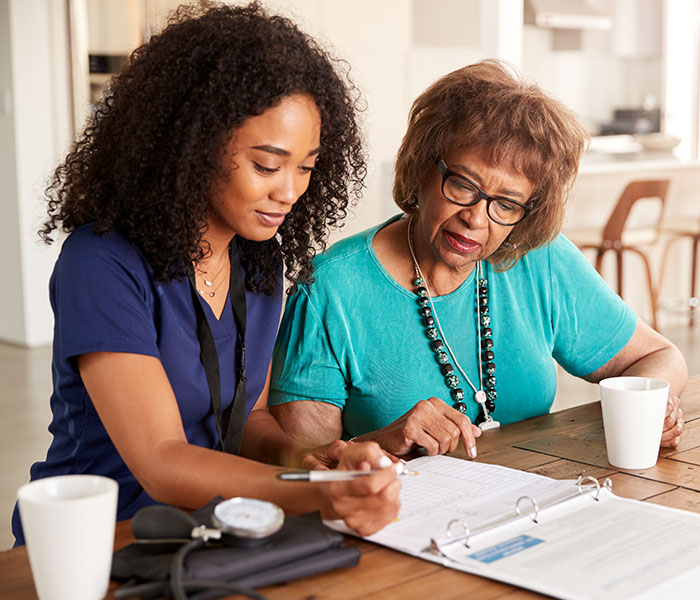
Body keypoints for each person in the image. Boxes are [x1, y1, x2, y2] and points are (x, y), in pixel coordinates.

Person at [11, 2, 400, 546]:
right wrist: (314, 492)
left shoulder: (259, 258)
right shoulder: (101, 263)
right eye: (266, 165)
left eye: (306, 167)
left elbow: (250, 421)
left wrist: (316, 462)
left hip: (212, 533)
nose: (289, 192)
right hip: (97, 542)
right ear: (191, 147)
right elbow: (163, 462)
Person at [268, 60, 687, 459]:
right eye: (463, 185)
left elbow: (658, 357)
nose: (476, 218)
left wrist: (656, 403)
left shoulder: (538, 259)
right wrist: (381, 443)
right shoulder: (330, 290)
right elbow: (304, 469)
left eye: (506, 203)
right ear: (421, 169)